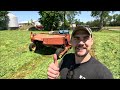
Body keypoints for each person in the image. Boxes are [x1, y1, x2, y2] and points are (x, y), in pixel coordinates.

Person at [47, 26, 113, 79]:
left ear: (91, 41)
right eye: (76, 38)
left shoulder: (103, 74)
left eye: (85, 38)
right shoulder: (66, 58)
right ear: (71, 42)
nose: (81, 43)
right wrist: (53, 76)